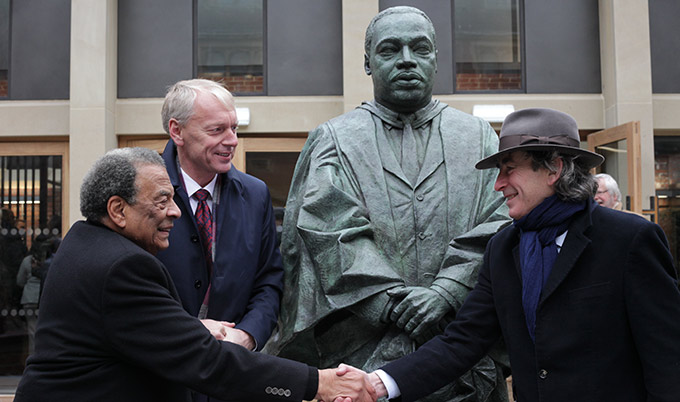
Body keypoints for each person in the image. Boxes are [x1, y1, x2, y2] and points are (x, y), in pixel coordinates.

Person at [266, 6, 511, 402]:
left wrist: (447, 290)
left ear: (435, 59)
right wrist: (388, 302)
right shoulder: (335, 138)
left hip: (461, 349)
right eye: (389, 50)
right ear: (367, 62)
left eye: (420, 48)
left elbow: (502, 220)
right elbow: (325, 229)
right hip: (360, 356)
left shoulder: (478, 136)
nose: (407, 60)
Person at [359, 108, 680, 402]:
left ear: (553, 169)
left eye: (509, 170)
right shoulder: (503, 248)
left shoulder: (629, 240)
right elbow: (462, 341)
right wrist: (379, 384)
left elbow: (667, 360)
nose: (498, 184)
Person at [14, 147, 377, 402]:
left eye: (173, 197)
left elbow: (122, 330)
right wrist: (318, 383)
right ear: (117, 210)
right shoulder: (123, 267)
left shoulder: (85, 242)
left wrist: (189, 327)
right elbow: (208, 363)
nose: (175, 211)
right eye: (161, 200)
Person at [156, 79, 283, 357]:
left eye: (234, 128)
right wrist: (186, 332)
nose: (232, 140)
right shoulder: (139, 192)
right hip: (158, 371)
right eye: (217, 130)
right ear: (177, 131)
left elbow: (269, 281)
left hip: (232, 373)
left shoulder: (256, 194)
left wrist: (247, 335)